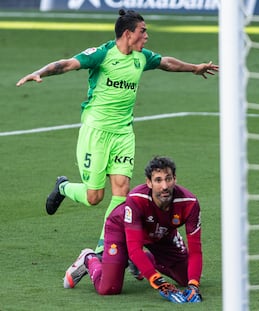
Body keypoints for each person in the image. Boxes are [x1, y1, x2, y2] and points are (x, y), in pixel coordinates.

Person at [16, 9, 218, 254]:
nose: (147, 36)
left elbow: (166, 62)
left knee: (121, 189)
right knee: (94, 197)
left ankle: (105, 246)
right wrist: (40, 72)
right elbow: (67, 64)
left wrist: (194, 68)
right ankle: (63, 187)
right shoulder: (102, 54)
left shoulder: (141, 57)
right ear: (128, 33)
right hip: (96, 131)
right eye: (143, 31)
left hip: (123, 133)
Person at [62, 156, 203, 303]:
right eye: (158, 180)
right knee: (109, 288)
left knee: (187, 277)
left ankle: (143, 261)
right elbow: (135, 248)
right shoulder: (136, 199)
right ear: (149, 182)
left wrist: (194, 286)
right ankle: (89, 259)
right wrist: (158, 281)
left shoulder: (190, 203)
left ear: (175, 179)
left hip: (161, 234)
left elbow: (196, 251)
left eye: (168, 179)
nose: (164, 186)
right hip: (122, 230)